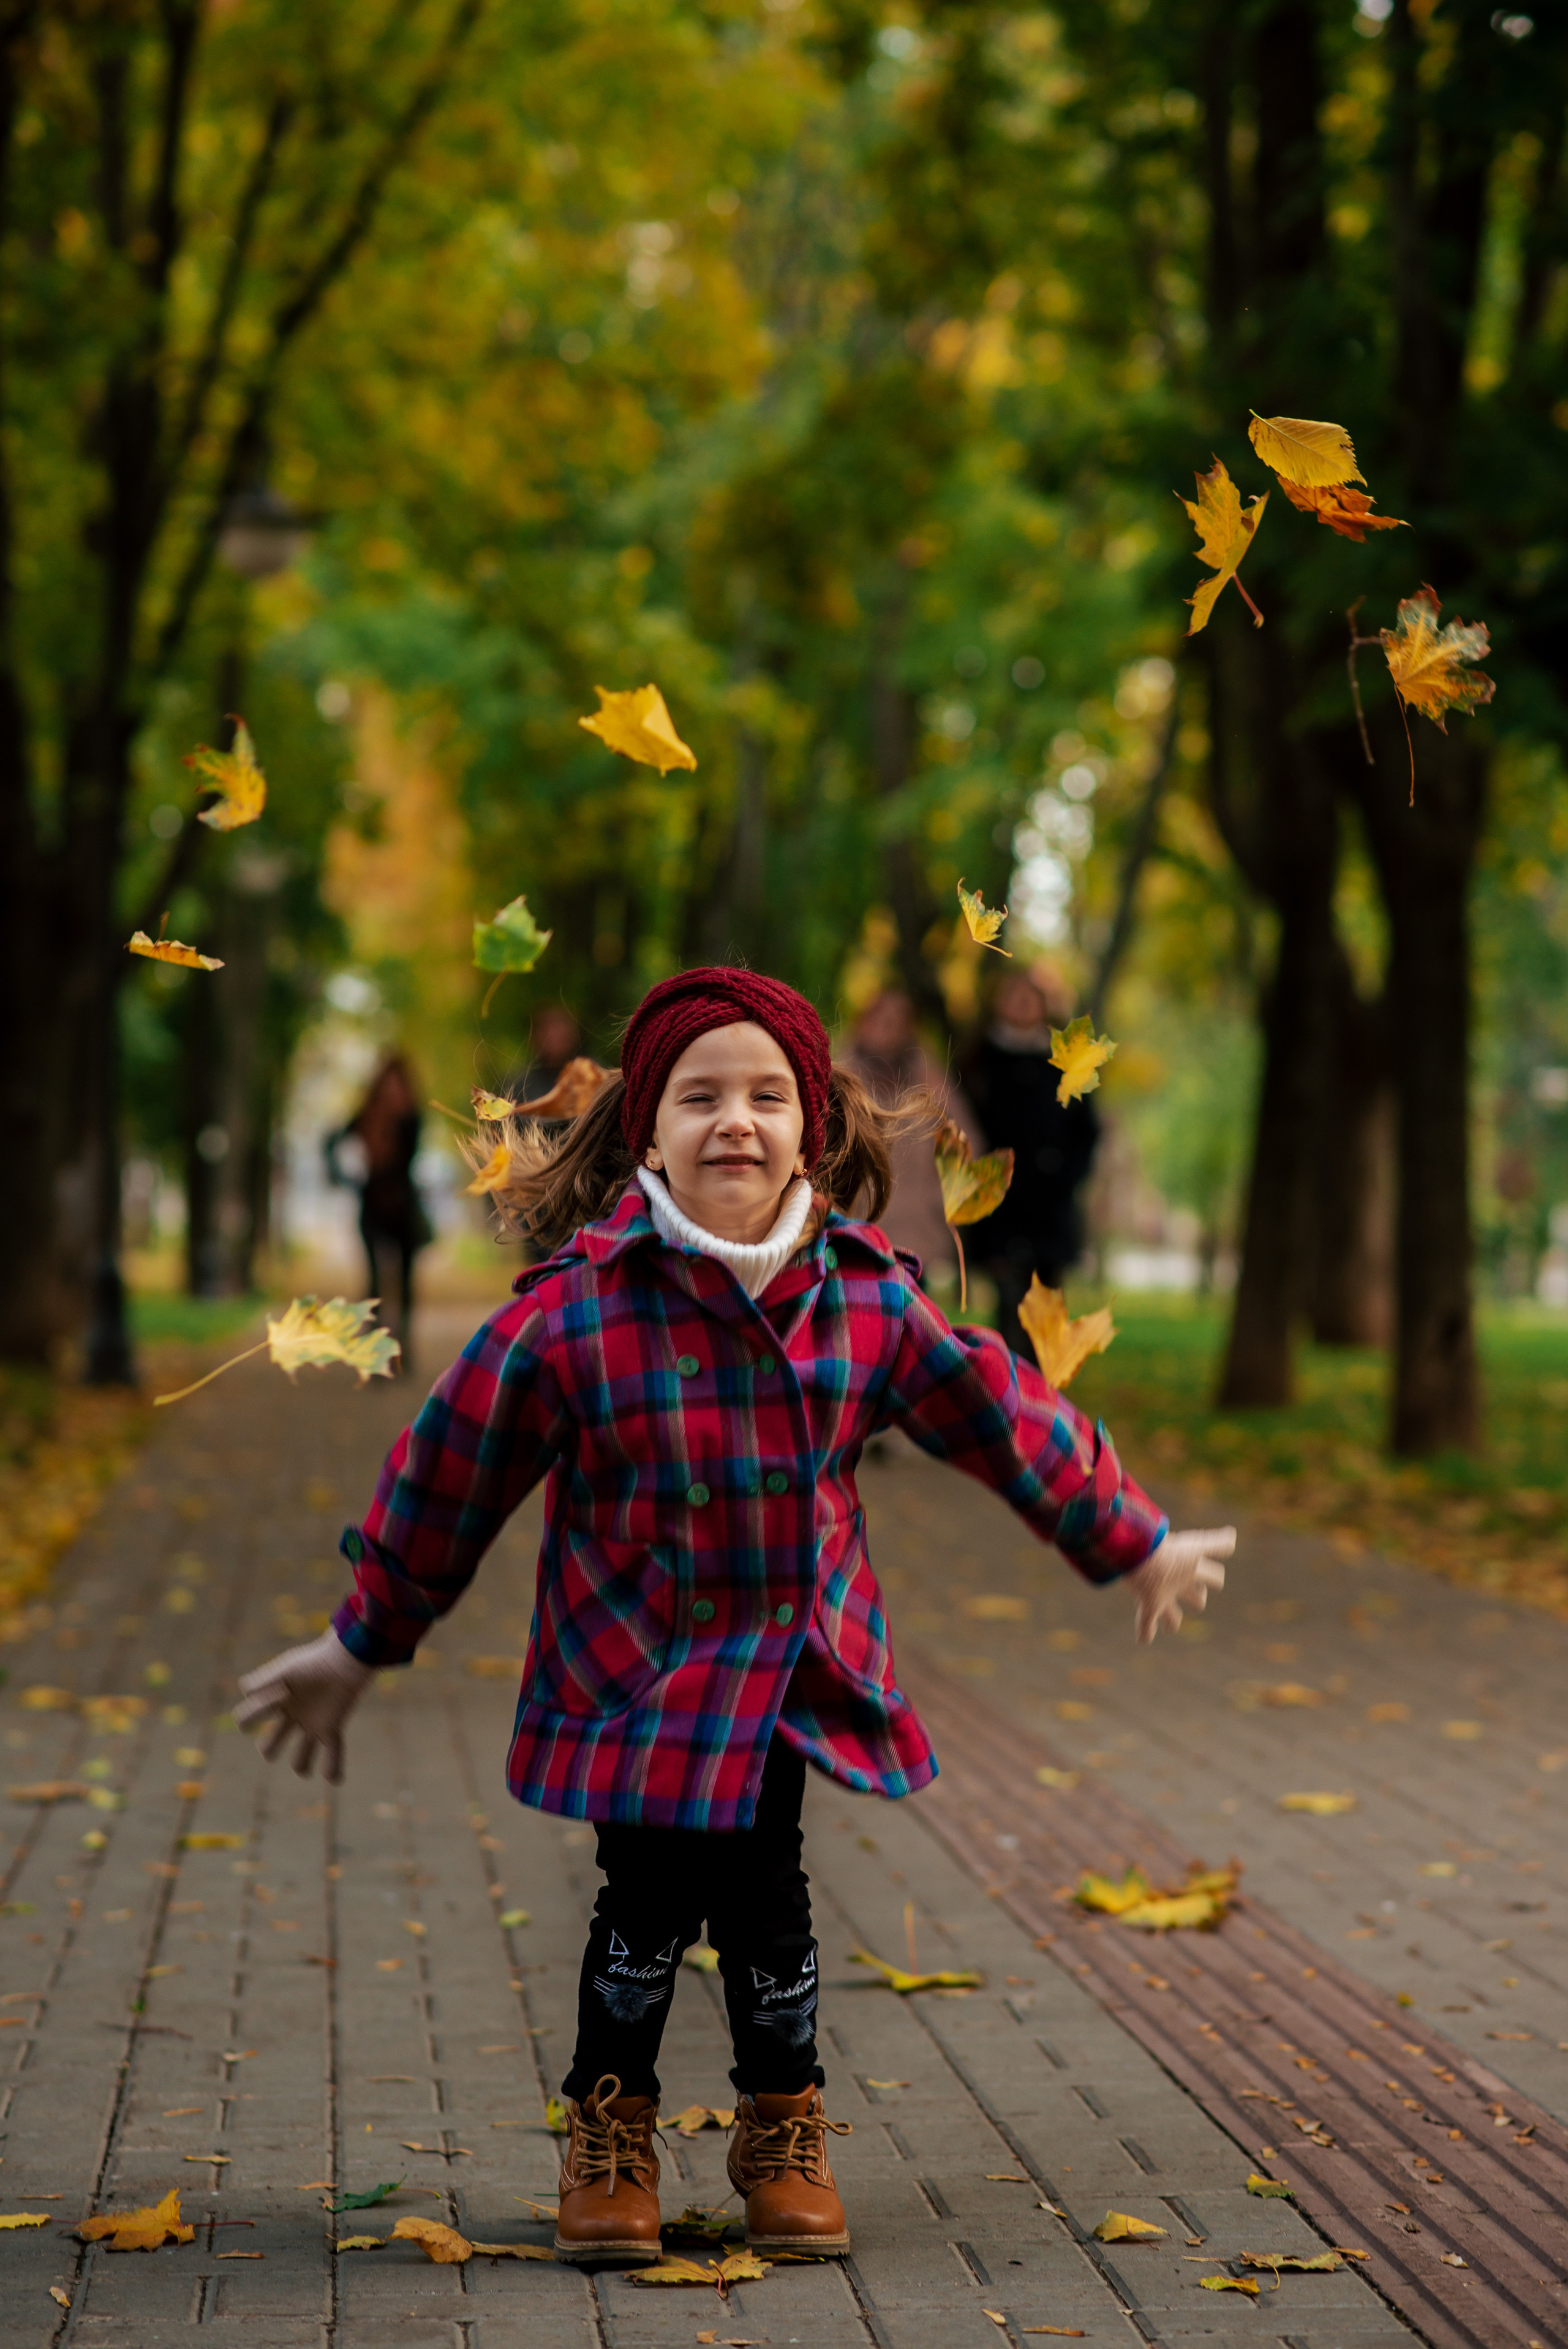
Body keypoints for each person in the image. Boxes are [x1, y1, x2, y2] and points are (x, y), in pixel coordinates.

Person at [235, 967, 1233, 2268]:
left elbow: (994, 1412)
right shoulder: (573, 1313)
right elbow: (449, 1473)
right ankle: (611, 2135)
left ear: (810, 1127)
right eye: (699, 1096)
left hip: (783, 1664)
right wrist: (361, 1640)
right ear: (645, 1129)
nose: (735, 1123)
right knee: (640, 1903)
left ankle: (783, 2127)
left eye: (767, 1096)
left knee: (769, 1903)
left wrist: (1129, 1537)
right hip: (632, 1670)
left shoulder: (860, 1298)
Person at [963, 964, 1100, 1356]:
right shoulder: (977, 1062)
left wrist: (1066, 1176)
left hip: (1050, 1210)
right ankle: (1005, 1403)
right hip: (998, 1207)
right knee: (1007, 1313)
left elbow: (1087, 1131)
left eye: (1031, 996)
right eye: (1013, 995)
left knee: (1046, 1320)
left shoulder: (1066, 1062)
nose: (1022, 1004)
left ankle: (1042, 1405)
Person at [840, 989, 981, 1288]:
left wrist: (941, 1201)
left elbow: (966, 1149)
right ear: (864, 1022)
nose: (888, 1026)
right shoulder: (838, 1078)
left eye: (898, 1020)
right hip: (851, 1227)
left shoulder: (931, 1081)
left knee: (912, 1325)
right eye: (881, 1018)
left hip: (918, 1233)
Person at [325, 1054, 430, 1364]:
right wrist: (344, 1177)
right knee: (374, 1281)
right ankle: (375, 1348)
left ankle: (404, 1347)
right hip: (372, 1207)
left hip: (403, 1208)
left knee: (406, 1280)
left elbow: (407, 1160)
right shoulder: (367, 1117)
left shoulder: (411, 1118)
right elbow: (333, 1141)